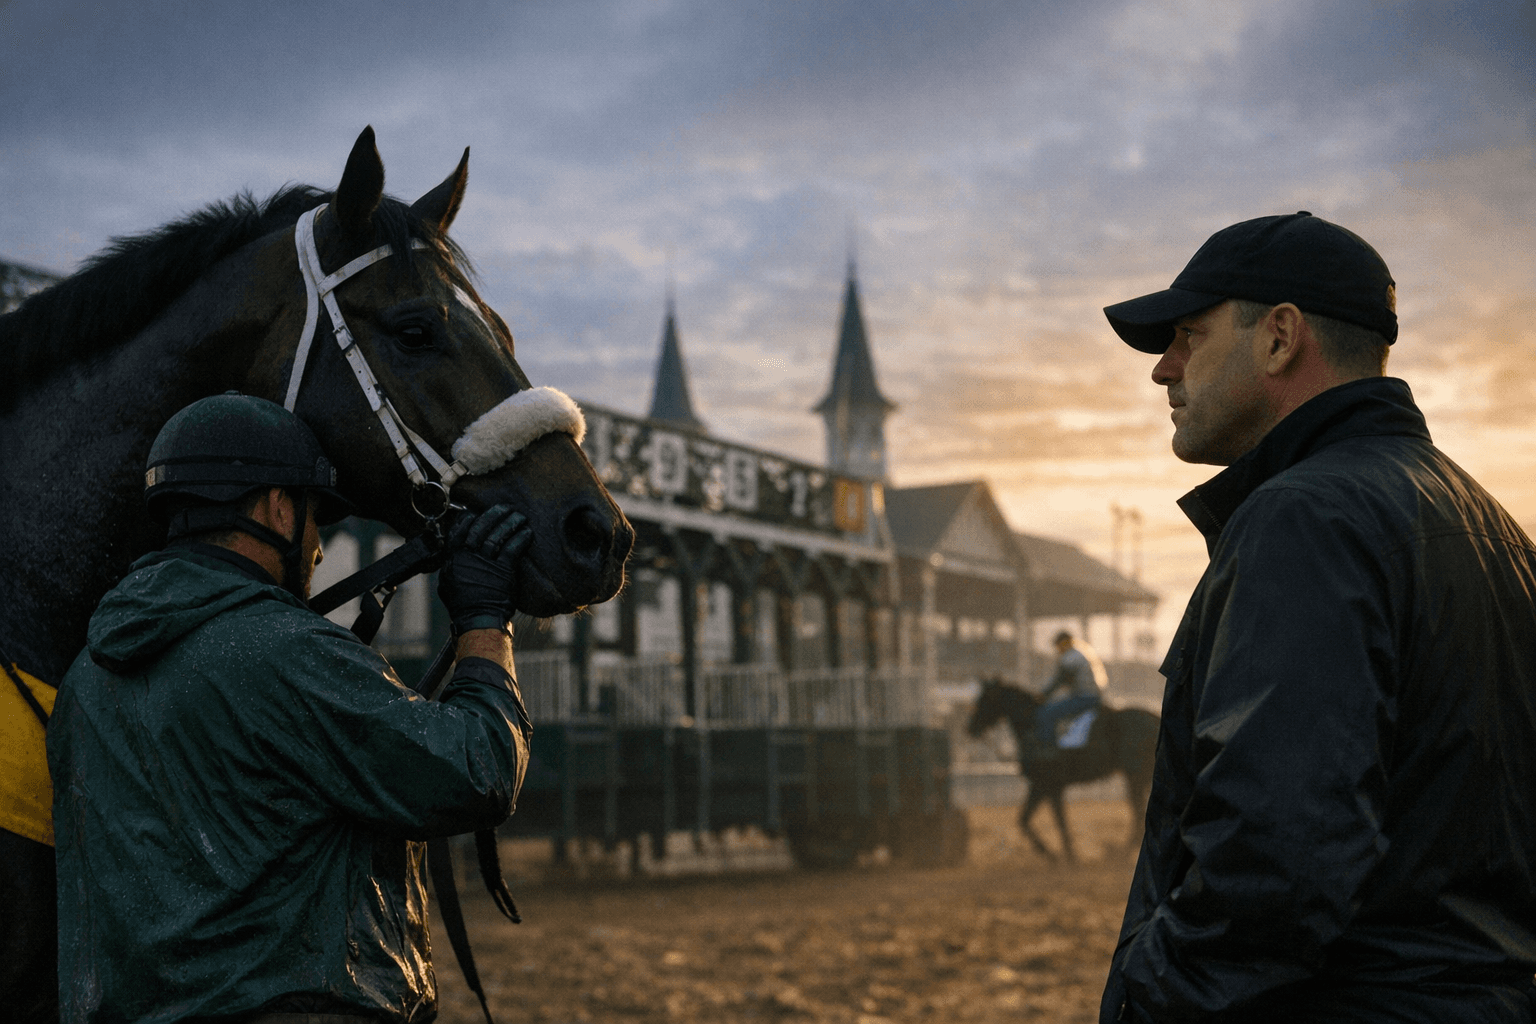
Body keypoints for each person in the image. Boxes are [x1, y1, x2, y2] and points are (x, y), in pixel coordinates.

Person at [1097, 212, 1536, 1022]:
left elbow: (1274, 861)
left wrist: (1148, 999)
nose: (1164, 368)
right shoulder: (1495, 529)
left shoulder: (1304, 519)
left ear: (1279, 337)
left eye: (1189, 335)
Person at [49, 393, 536, 1024]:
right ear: (278, 508)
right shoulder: (285, 649)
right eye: (315, 522)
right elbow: (477, 769)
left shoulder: (84, 678)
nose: (317, 550)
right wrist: (485, 620)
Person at [1033, 630, 1107, 753]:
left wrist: (1042, 695)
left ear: (1064, 643)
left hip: (1084, 698)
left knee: (1046, 713)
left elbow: (1059, 681)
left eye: (1058, 646)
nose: (1057, 649)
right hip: (1091, 696)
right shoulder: (1080, 653)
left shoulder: (1070, 657)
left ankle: (1048, 750)